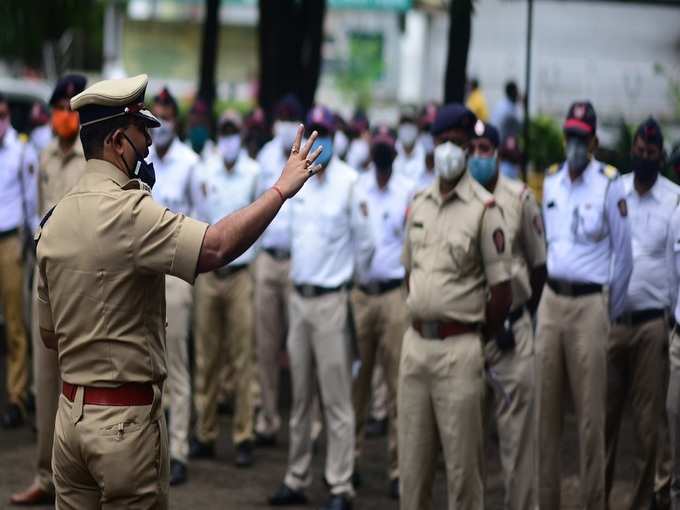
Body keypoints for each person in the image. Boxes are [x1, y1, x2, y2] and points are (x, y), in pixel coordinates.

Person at [36, 73, 323, 508]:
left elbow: (49, 336)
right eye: (141, 132)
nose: (149, 144)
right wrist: (280, 190)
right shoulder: (129, 212)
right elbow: (217, 246)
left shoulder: (54, 221)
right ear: (117, 141)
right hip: (122, 426)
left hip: (69, 422)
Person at [399, 103, 512, 509]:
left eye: (458, 144)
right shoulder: (418, 203)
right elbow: (408, 272)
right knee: (412, 472)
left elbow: (502, 291)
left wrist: (475, 335)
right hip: (415, 349)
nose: (449, 150)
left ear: (468, 150)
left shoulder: (485, 209)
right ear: (433, 146)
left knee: (464, 476)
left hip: (459, 349)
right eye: (443, 142)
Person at [269, 105, 374, 510]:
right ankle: (296, 478)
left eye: (327, 132)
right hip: (299, 299)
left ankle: (339, 484)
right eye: (316, 131)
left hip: (331, 300)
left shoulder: (349, 182)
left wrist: (349, 282)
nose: (321, 138)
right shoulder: (298, 178)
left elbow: (365, 245)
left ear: (337, 136)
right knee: (299, 399)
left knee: (336, 400)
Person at [537, 101, 633, 510]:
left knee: (591, 418)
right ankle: (546, 502)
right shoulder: (552, 181)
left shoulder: (610, 185)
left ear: (593, 141)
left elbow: (624, 257)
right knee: (545, 415)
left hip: (590, 306)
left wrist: (606, 312)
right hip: (551, 302)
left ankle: (593, 502)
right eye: (570, 136)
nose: (575, 144)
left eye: (582, 137)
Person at [9, 75, 87, 507]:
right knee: (45, 382)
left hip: (82, 285)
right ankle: (46, 476)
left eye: (69, 106)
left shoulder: (92, 158)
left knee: (80, 386)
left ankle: (80, 480)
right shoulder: (43, 159)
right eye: (57, 105)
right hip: (47, 282)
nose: (62, 113)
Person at [468, 121, 547, 510]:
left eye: (486, 147)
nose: (479, 154)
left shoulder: (519, 198)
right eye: (474, 147)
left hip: (512, 338)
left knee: (518, 447)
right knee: (468, 448)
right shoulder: (462, 199)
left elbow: (539, 266)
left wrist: (518, 315)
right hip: (470, 337)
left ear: (497, 153)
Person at [604, 117, 679, 510]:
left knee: (648, 426)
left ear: (660, 156)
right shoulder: (614, 191)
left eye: (651, 153)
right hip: (613, 322)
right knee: (604, 420)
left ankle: (640, 500)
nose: (644, 157)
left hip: (652, 325)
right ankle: (597, 497)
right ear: (631, 150)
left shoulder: (674, 199)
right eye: (639, 151)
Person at [190, 109, 260, 468]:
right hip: (209, 276)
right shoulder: (205, 171)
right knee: (206, 357)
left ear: (242, 134)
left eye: (235, 129)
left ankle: (244, 434)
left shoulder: (253, 172)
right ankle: (205, 432)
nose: (230, 136)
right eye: (225, 129)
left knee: (242, 356)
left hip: (241, 276)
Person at [351, 126, 413, 500]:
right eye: (379, 148)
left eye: (388, 148)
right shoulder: (357, 187)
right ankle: (351, 463)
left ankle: (398, 469)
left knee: (397, 387)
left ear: (395, 152)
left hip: (394, 297)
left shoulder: (407, 191)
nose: (383, 154)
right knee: (355, 385)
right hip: (360, 295)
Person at [146, 86, 200, 486]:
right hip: (145, 272)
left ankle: (179, 448)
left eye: (167, 114)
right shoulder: (140, 158)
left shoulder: (191, 163)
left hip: (177, 272)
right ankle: (153, 447)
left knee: (177, 362)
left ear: (176, 121)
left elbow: (203, 221)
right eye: (156, 114)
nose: (161, 122)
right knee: (148, 362)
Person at [253, 94, 303, 446]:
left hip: (298, 261)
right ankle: (268, 417)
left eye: (292, 118)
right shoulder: (265, 157)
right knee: (266, 344)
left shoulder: (307, 157)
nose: (285, 123)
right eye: (281, 117)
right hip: (268, 258)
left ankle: (305, 423)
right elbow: (254, 209)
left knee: (301, 348)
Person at [0, 93, 37, 429]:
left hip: (10, 240)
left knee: (15, 323)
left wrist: (29, 245)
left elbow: (29, 201)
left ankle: (16, 396)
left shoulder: (22, 151)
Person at [393, 105, 425, 182]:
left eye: (411, 123)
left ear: (418, 127)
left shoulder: (426, 154)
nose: (407, 127)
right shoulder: (391, 152)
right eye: (404, 123)